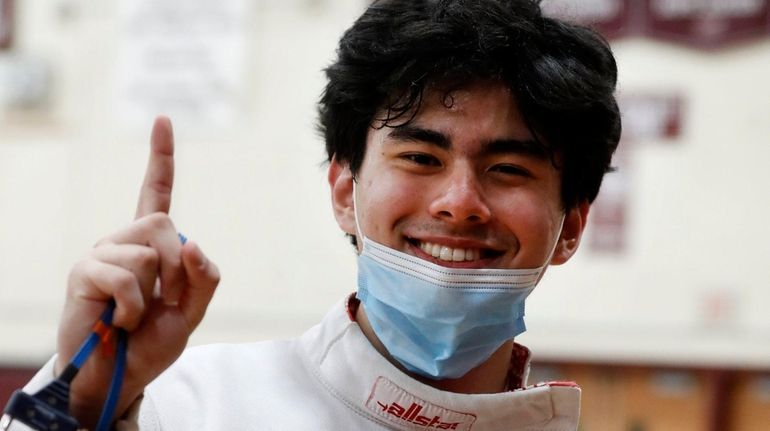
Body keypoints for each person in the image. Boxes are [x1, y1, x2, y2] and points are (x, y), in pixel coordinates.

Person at [20, 0, 620, 429]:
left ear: (570, 225)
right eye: (419, 156)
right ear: (343, 193)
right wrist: (83, 400)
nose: (458, 202)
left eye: (509, 169)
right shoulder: (183, 408)